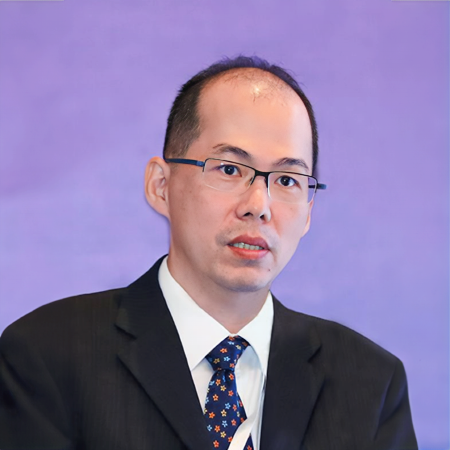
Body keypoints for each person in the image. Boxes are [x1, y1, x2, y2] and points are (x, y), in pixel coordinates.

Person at [0, 56, 417, 450]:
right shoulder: (48, 355)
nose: (259, 205)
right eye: (230, 169)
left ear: (309, 212)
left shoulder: (370, 383)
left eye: (287, 180)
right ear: (161, 186)